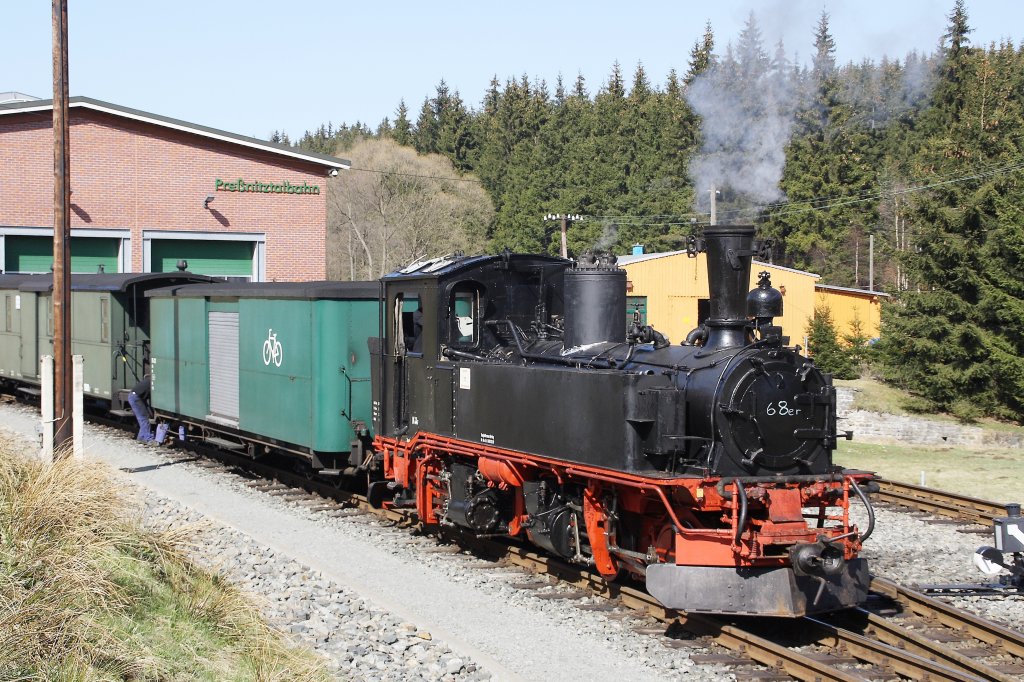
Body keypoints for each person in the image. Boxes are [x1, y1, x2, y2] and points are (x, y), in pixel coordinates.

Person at [127, 373, 153, 442]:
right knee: (143, 418)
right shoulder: (152, 382)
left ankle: (141, 437)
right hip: (136, 398)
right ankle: (148, 438)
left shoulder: (148, 380)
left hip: (135, 396)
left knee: (143, 418)